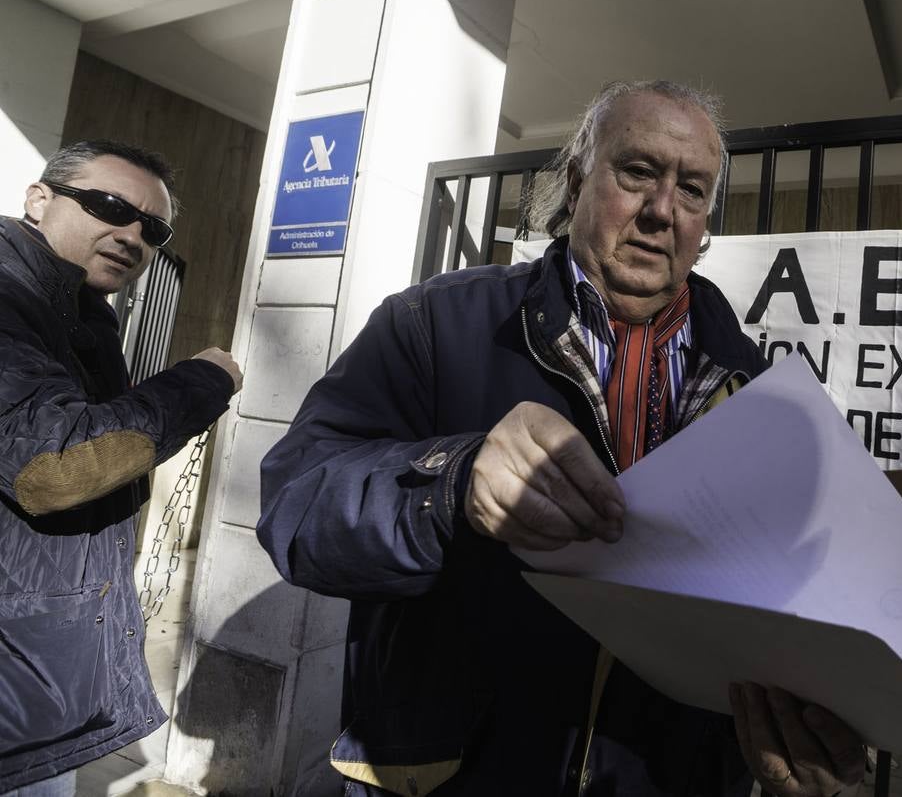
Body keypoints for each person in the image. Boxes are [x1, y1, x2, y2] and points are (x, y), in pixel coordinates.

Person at [258, 81, 865, 796]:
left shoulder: (761, 391)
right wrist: (451, 484)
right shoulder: (435, 323)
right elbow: (294, 508)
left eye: (693, 190)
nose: (661, 211)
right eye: (637, 172)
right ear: (577, 180)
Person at [0, 141, 242, 795]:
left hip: (38, 687)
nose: (132, 234)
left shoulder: (82, 316)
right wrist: (201, 382)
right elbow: (55, 467)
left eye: (152, 227)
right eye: (109, 205)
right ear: (38, 199)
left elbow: (108, 478)